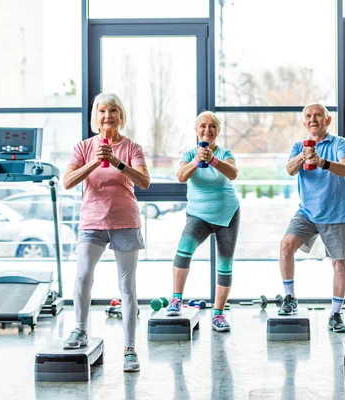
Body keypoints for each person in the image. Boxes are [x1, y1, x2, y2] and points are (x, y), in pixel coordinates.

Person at [62, 93, 151, 373]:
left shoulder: (132, 148)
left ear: (120, 115)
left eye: (113, 110)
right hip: (92, 222)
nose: (107, 116)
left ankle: (129, 348)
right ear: (96, 116)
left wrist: (116, 161)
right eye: (102, 111)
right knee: (83, 276)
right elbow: (67, 181)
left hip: (125, 220)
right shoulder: (83, 147)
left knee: (127, 287)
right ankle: (80, 330)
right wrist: (94, 161)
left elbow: (145, 182)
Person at [279, 103, 345, 333]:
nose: (313, 119)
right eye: (309, 117)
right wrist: (304, 156)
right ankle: (290, 298)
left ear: (327, 120)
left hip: (336, 211)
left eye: (318, 115)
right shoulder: (298, 146)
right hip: (307, 212)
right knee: (286, 246)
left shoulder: (339, 142)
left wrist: (321, 162)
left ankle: (335, 314)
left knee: (339, 263)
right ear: (304, 123)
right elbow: (290, 169)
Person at [165, 111, 239, 332]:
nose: (207, 130)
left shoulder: (225, 153)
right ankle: (176, 299)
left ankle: (218, 314)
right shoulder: (189, 154)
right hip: (198, 214)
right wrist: (198, 161)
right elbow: (180, 176)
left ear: (218, 130)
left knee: (225, 264)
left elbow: (233, 173)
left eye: (212, 126)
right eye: (203, 126)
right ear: (196, 131)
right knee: (183, 251)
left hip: (227, 214)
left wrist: (213, 160)